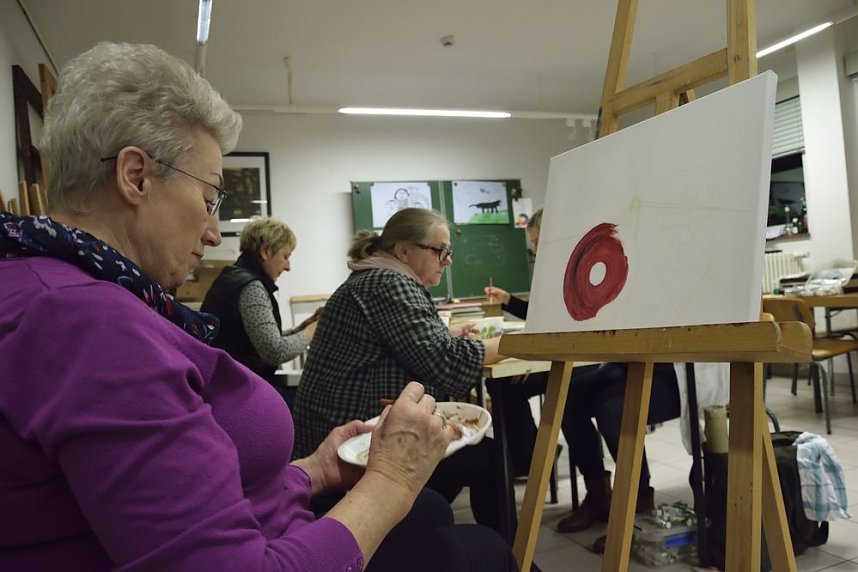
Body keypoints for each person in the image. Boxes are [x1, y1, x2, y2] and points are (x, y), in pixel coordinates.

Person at [0, 42, 516, 572]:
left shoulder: (54, 284)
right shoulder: (86, 322)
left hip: (281, 513)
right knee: (482, 549)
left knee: (431, 514)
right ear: (136, 176)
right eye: (209, 200)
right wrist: (393, 479)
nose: (211, 230)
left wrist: (311, 471)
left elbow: (183, 495)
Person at [485, 209, 729, 540]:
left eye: (540, 243)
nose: (538, 252)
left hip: (676, 372)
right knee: (571, 400)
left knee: (613, 408)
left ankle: (638, 502)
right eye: (535, 246)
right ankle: (598, 495)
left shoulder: (644, 259)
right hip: (625, 362)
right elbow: (566, 324)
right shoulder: (577, 266)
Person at [293, 207, 506, 530]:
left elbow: (408, 341)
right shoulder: (388, 282)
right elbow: (447, 363)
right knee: (487, 458)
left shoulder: (377, 277)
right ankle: (511, 557)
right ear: (404, 250)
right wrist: (509, 346)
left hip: (343, 436)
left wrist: (447, 335)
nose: (447, 260)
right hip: (349, 449)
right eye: (440, 251)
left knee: (472, 453)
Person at [201, 217, 318, 390]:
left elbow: (254, 340)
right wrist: (310, 333)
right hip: (236, 390)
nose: (288, 266)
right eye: (285, 256)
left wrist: (298, 330)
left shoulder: (233, 277)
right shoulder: (251, 287)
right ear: (265, 251)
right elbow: (274, 351)